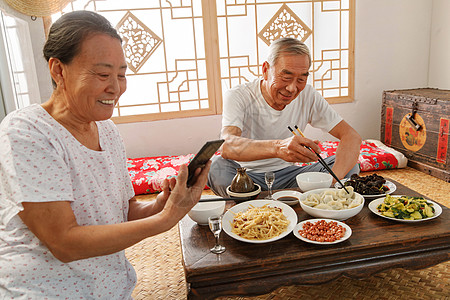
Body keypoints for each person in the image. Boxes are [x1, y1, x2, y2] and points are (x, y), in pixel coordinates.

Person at [0, 11, 210, 298]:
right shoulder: (26, 132)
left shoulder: (107, 130)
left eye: (121, 74)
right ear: (58, 70)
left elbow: (125, 212)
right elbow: (64, 243)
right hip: (43, 290)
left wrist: (163, 203)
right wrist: (165, 220)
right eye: (102, 74)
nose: (115, 87)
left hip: (111, 287)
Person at [208, 37, 361, 197]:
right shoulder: (239, 96)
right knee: (215, 167)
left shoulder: (308, 95)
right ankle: (284, 199)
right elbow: (228, 146)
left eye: (301, 79)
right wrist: (278, 148)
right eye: (286, 77)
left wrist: (332, 181)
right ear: (266, 70)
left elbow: (351, 136)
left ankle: (260, 201)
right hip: (245, 177)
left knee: (349, 163)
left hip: (290, 175)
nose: (292, 88)